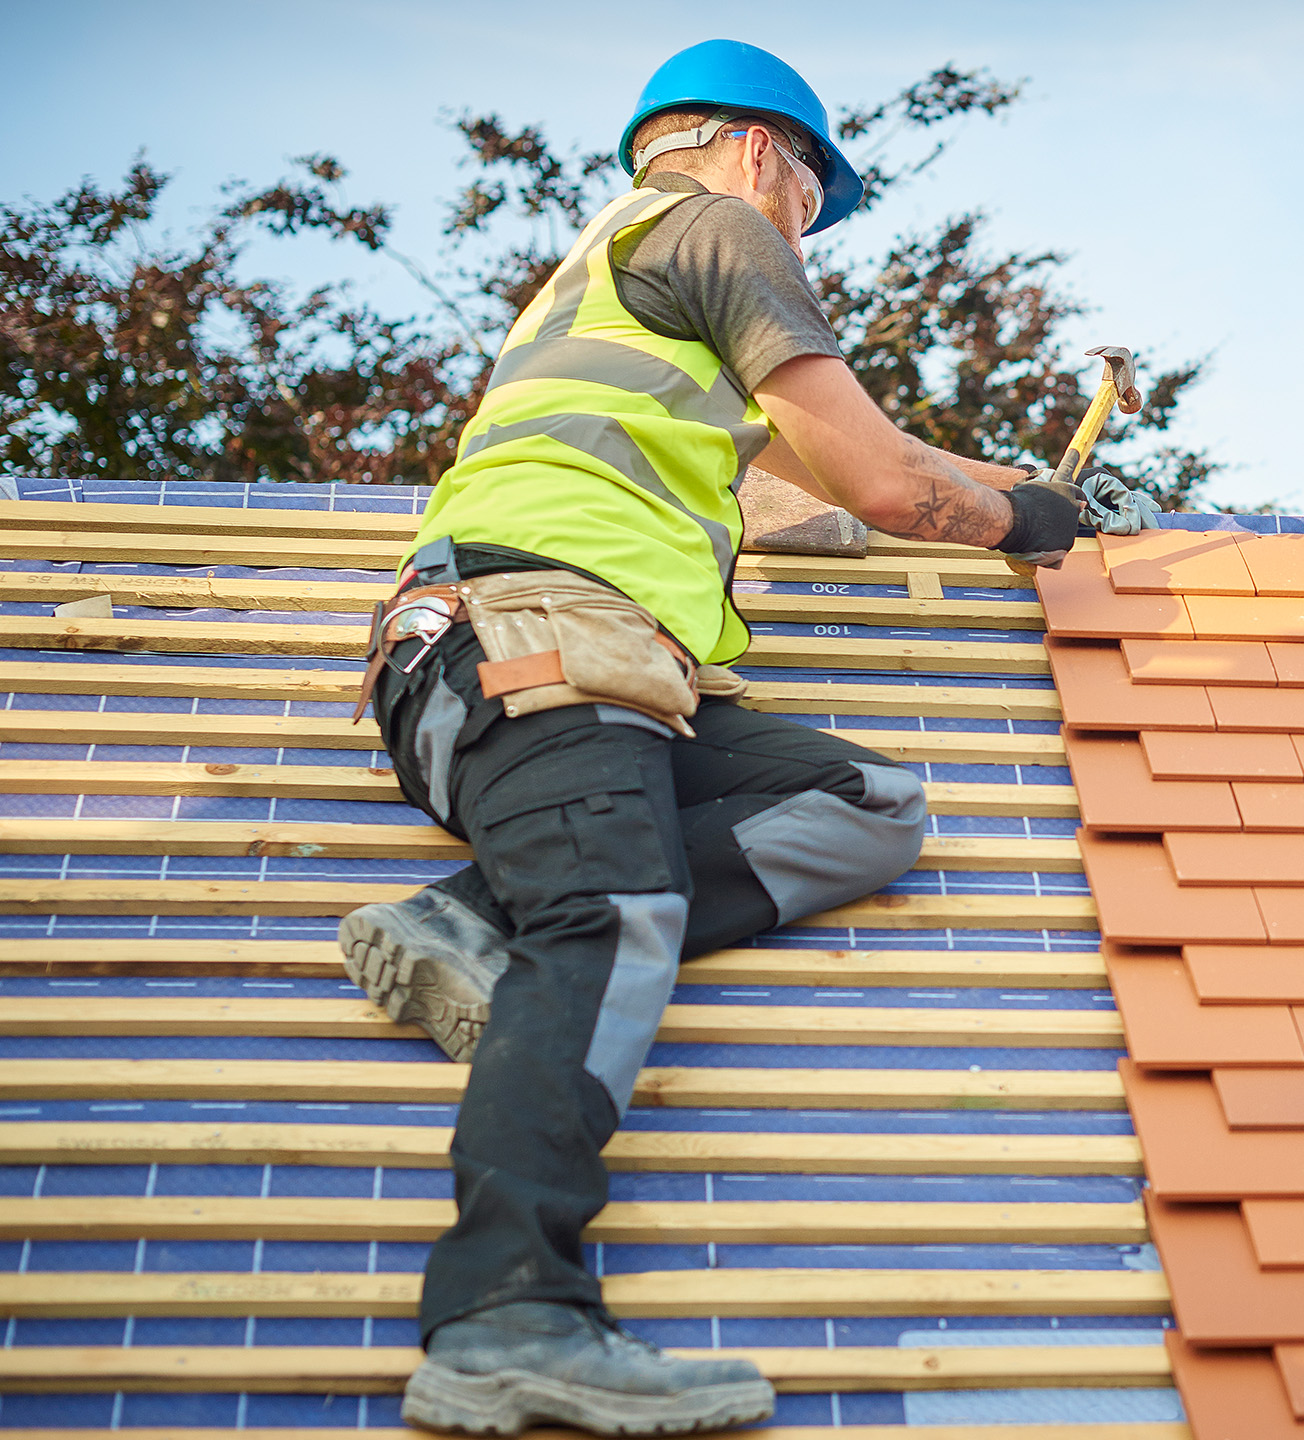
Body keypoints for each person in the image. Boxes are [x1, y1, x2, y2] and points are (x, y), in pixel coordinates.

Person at [336, 39, 1092, 1437]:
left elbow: (836, 463)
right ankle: (509, 1314)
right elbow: (880, 478)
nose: (807, 223)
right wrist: (1016, 526)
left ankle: (479, 920)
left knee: (863, 803)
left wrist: (1021, 488)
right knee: (617, 915)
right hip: (539, 641)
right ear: (758, 150)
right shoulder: (721, 228)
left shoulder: (633, 283)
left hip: (555, 666)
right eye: (813, 189)